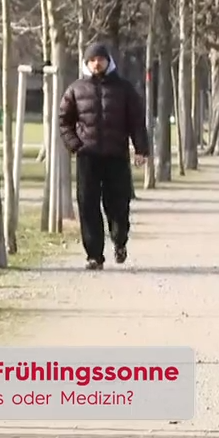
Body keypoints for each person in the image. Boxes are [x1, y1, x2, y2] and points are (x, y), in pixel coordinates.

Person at [58, 42, 149, 271]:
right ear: (86, 63)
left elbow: (137, 121)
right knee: (88, 205)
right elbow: (64, 121)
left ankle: (120, 241)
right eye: (92, 60)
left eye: (100, 59)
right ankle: (94, 256)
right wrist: (74, 145)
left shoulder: (124, 89)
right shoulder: (76, 90)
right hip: (87, 157)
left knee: (118, 204)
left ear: (109, 61)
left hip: (116, 156)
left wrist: (141, 149)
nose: (96, 63)